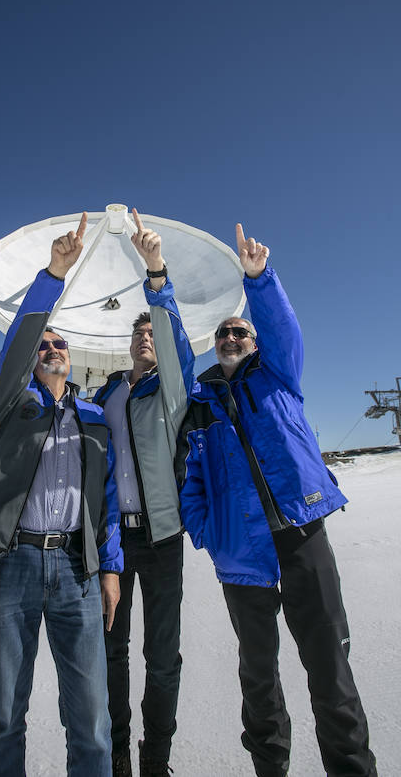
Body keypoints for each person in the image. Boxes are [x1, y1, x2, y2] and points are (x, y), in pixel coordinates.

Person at [177, 223, 377, 777]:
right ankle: (271, 768)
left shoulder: (279, 374)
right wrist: (210, 532)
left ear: (255, 340)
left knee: (329, 668)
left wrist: (258, 280)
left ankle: (352, 768)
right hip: (241, 551)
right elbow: (191, 481)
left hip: (302, 535)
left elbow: (282, 326)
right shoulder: (202, 405)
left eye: (240, 331)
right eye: (223, 334)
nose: (231, 338)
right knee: (258, 677)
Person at [0, 212, 123, 777]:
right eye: (46, 343)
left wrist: (110, 568)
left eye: (61, 343)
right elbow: (18, 343)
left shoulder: (93, 419)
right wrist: (54, 275)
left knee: (90, 717)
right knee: (5, 712)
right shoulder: (15, 403)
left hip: (76, 570)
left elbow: (102, 502)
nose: (53, 347)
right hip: (10, 564)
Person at [94, 209, 195, 777]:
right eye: (139, 331)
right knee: (111, 652)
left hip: (162, 543)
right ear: (129, 343)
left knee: (162, 659)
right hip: (114, 545)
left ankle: (156, 762)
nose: (146, 338)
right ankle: (117, 760)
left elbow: (178, 345)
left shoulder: (172, 394)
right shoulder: (106, 396)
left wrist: (156, 275)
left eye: (153, 332)